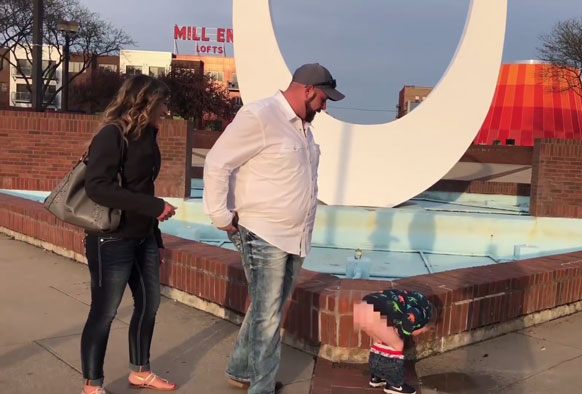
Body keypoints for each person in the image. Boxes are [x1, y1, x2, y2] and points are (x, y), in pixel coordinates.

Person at [203, 63, 345, 393]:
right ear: (308, 90)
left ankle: (241, 370)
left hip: (295, 236)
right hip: (262, 232)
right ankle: (261, 387)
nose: (325, 107)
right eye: (324, 99)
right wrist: (219, 214)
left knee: (267, 312)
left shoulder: (302, 127)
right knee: (267, 317)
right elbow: (217, 162)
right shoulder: (260, 115)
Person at [80, 75, 178, 394]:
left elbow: (142, 186)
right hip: (111, 238)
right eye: (162, 103)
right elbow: (97, 187)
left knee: (149, 303)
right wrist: (152, 205)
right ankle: (92, 385)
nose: (166, 109)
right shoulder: (112, 135)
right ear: (145, 102)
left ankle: (140, 371)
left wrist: (156, 237)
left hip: (143, 236)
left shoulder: (148, 134)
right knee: (105, 312)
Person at [353, 289, 433, 394]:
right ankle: (395, 384)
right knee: (397, 344)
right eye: (421, 332)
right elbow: (410, 318)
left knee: (381, 341)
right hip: (373, 311)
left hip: (361, 308)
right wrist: (402, 333)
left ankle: (378, 376)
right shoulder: (422, 313)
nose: (416, 334)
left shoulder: (413, 299)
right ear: (423, 324)